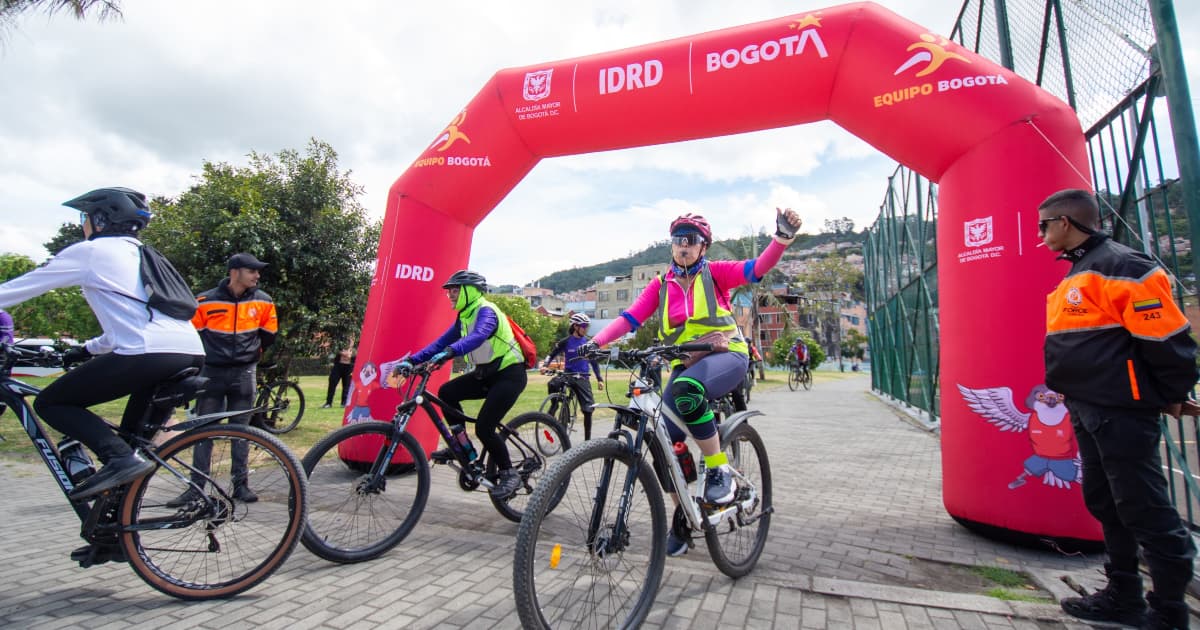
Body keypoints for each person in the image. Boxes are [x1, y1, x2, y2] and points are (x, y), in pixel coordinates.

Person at [583, 208, 803, 556]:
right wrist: (595, 343)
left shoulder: (716, 273)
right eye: (677, 240)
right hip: (686, 364)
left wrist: (782, 238)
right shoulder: (661, 285)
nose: (683, 245)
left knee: (686, 391)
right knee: (663, 442)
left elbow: (756, 269)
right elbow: (629, 318)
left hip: (726, 354)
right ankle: (684, 515)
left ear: (704, 246)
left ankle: (719, 471)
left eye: (691, 240)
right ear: (671, 246)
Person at [1038, 189, 1198, 630]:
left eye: (1044, 224)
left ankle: (1169, 612)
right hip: (1088, 406)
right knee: (1107, 502)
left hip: (1121, 409)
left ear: (1065, 222)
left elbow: (1166, 338)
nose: (1041, 234)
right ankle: (1123, 594)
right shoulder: (1081, 270)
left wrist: (1173, 390)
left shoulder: (1123, 267)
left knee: (1144, 507)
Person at [0, 188, 205, 504]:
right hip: (187, 350)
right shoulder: (145, 254)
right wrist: (86, 349)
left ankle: (119, 459)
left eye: (84, 217)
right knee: (133, 444)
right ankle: (115, 521)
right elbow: (133, 321)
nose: (82, 224)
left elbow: (17, 289)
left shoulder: (91, 252)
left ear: (100, 219)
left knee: (51, 403)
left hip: (147, 352)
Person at [392, 270, 527, 499]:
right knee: (447, 392)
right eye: (449, 292)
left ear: (470, 291)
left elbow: (478, 336)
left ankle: (509, 473)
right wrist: (412, 361)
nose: (451, 295)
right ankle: (463, 448)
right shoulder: (464, 317)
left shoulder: (486, 311)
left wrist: (450, 352)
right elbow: (440, 343)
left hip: (509, 375)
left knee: (484, 427)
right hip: (486, 374)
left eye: (455, 290)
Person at [172, 252, 278, 505]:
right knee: (204, 431)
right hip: (211, 373)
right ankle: (196, 488)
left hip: (244, 373)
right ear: (234, 272)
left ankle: (240, 486)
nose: (257, 275)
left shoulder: (264, 301)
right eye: (252, 270)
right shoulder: (204, 301)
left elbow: (269, 335)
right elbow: (192, 336)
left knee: (241, 431)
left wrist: (250, 355)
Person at [541, 312, 604, 439]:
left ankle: (587, 440)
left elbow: (594, 362)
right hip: (568, 376)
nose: (586, 329)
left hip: (582, 377)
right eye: (584, 326)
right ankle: (554, 406)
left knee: (588, 409)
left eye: (587, 326)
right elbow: (551, 354)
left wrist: (599, 379)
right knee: (553, 383)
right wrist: (545, 365)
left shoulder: (588, 343)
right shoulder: (566, 341)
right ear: (575, 326)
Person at [323, 342, 355, 408]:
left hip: (349, 367)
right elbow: (335, 349)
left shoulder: (357, 344)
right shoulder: (340, 342)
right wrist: (341, 353)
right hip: (338, 366)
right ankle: (328, 403)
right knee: (332, 382)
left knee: (346, 385)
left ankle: (344, 403)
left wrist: (350, 354)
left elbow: (356, 354)